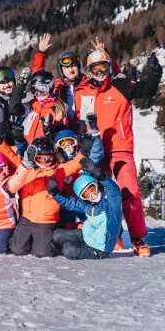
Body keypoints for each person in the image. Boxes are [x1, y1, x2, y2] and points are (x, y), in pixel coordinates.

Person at [74, 49, 162, 256]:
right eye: (95, 68)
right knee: (97, 195)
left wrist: (155, 73)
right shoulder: (83, 91)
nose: (99, 72)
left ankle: (138, 238)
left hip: (120, 148)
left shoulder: (120, 86)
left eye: (103, 67)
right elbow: (80, 123)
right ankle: (112, 236)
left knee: (129, 192)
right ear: (90, 70)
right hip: (96, 152)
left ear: (109, 67)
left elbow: (147, 90)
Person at [7, 139, 85, 257]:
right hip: (27, 218)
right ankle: (25, 238)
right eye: (39, 158)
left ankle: (59, 235)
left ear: (52, 157)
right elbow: (12, 183)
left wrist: (85, 150)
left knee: (42, 252)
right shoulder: (27, 170)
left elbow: (75, 165)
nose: (43, 162)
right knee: (17, 250)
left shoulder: (58, 171)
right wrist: (25, 165)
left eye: (47, 159)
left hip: (46, 220)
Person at [48, 157, 123, 260]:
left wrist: (99, 175)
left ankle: (64, 248)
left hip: (100, 248)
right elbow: (70, 203)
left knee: (68, 249)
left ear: (96, 185)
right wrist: (54, 193)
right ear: (83, 198)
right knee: (57, 234)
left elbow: (113, 190)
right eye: (86, 194)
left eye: (92, 189)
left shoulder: (111, 204)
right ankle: (51, 248)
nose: (92, 195)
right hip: (87, 236)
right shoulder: (87, 204)